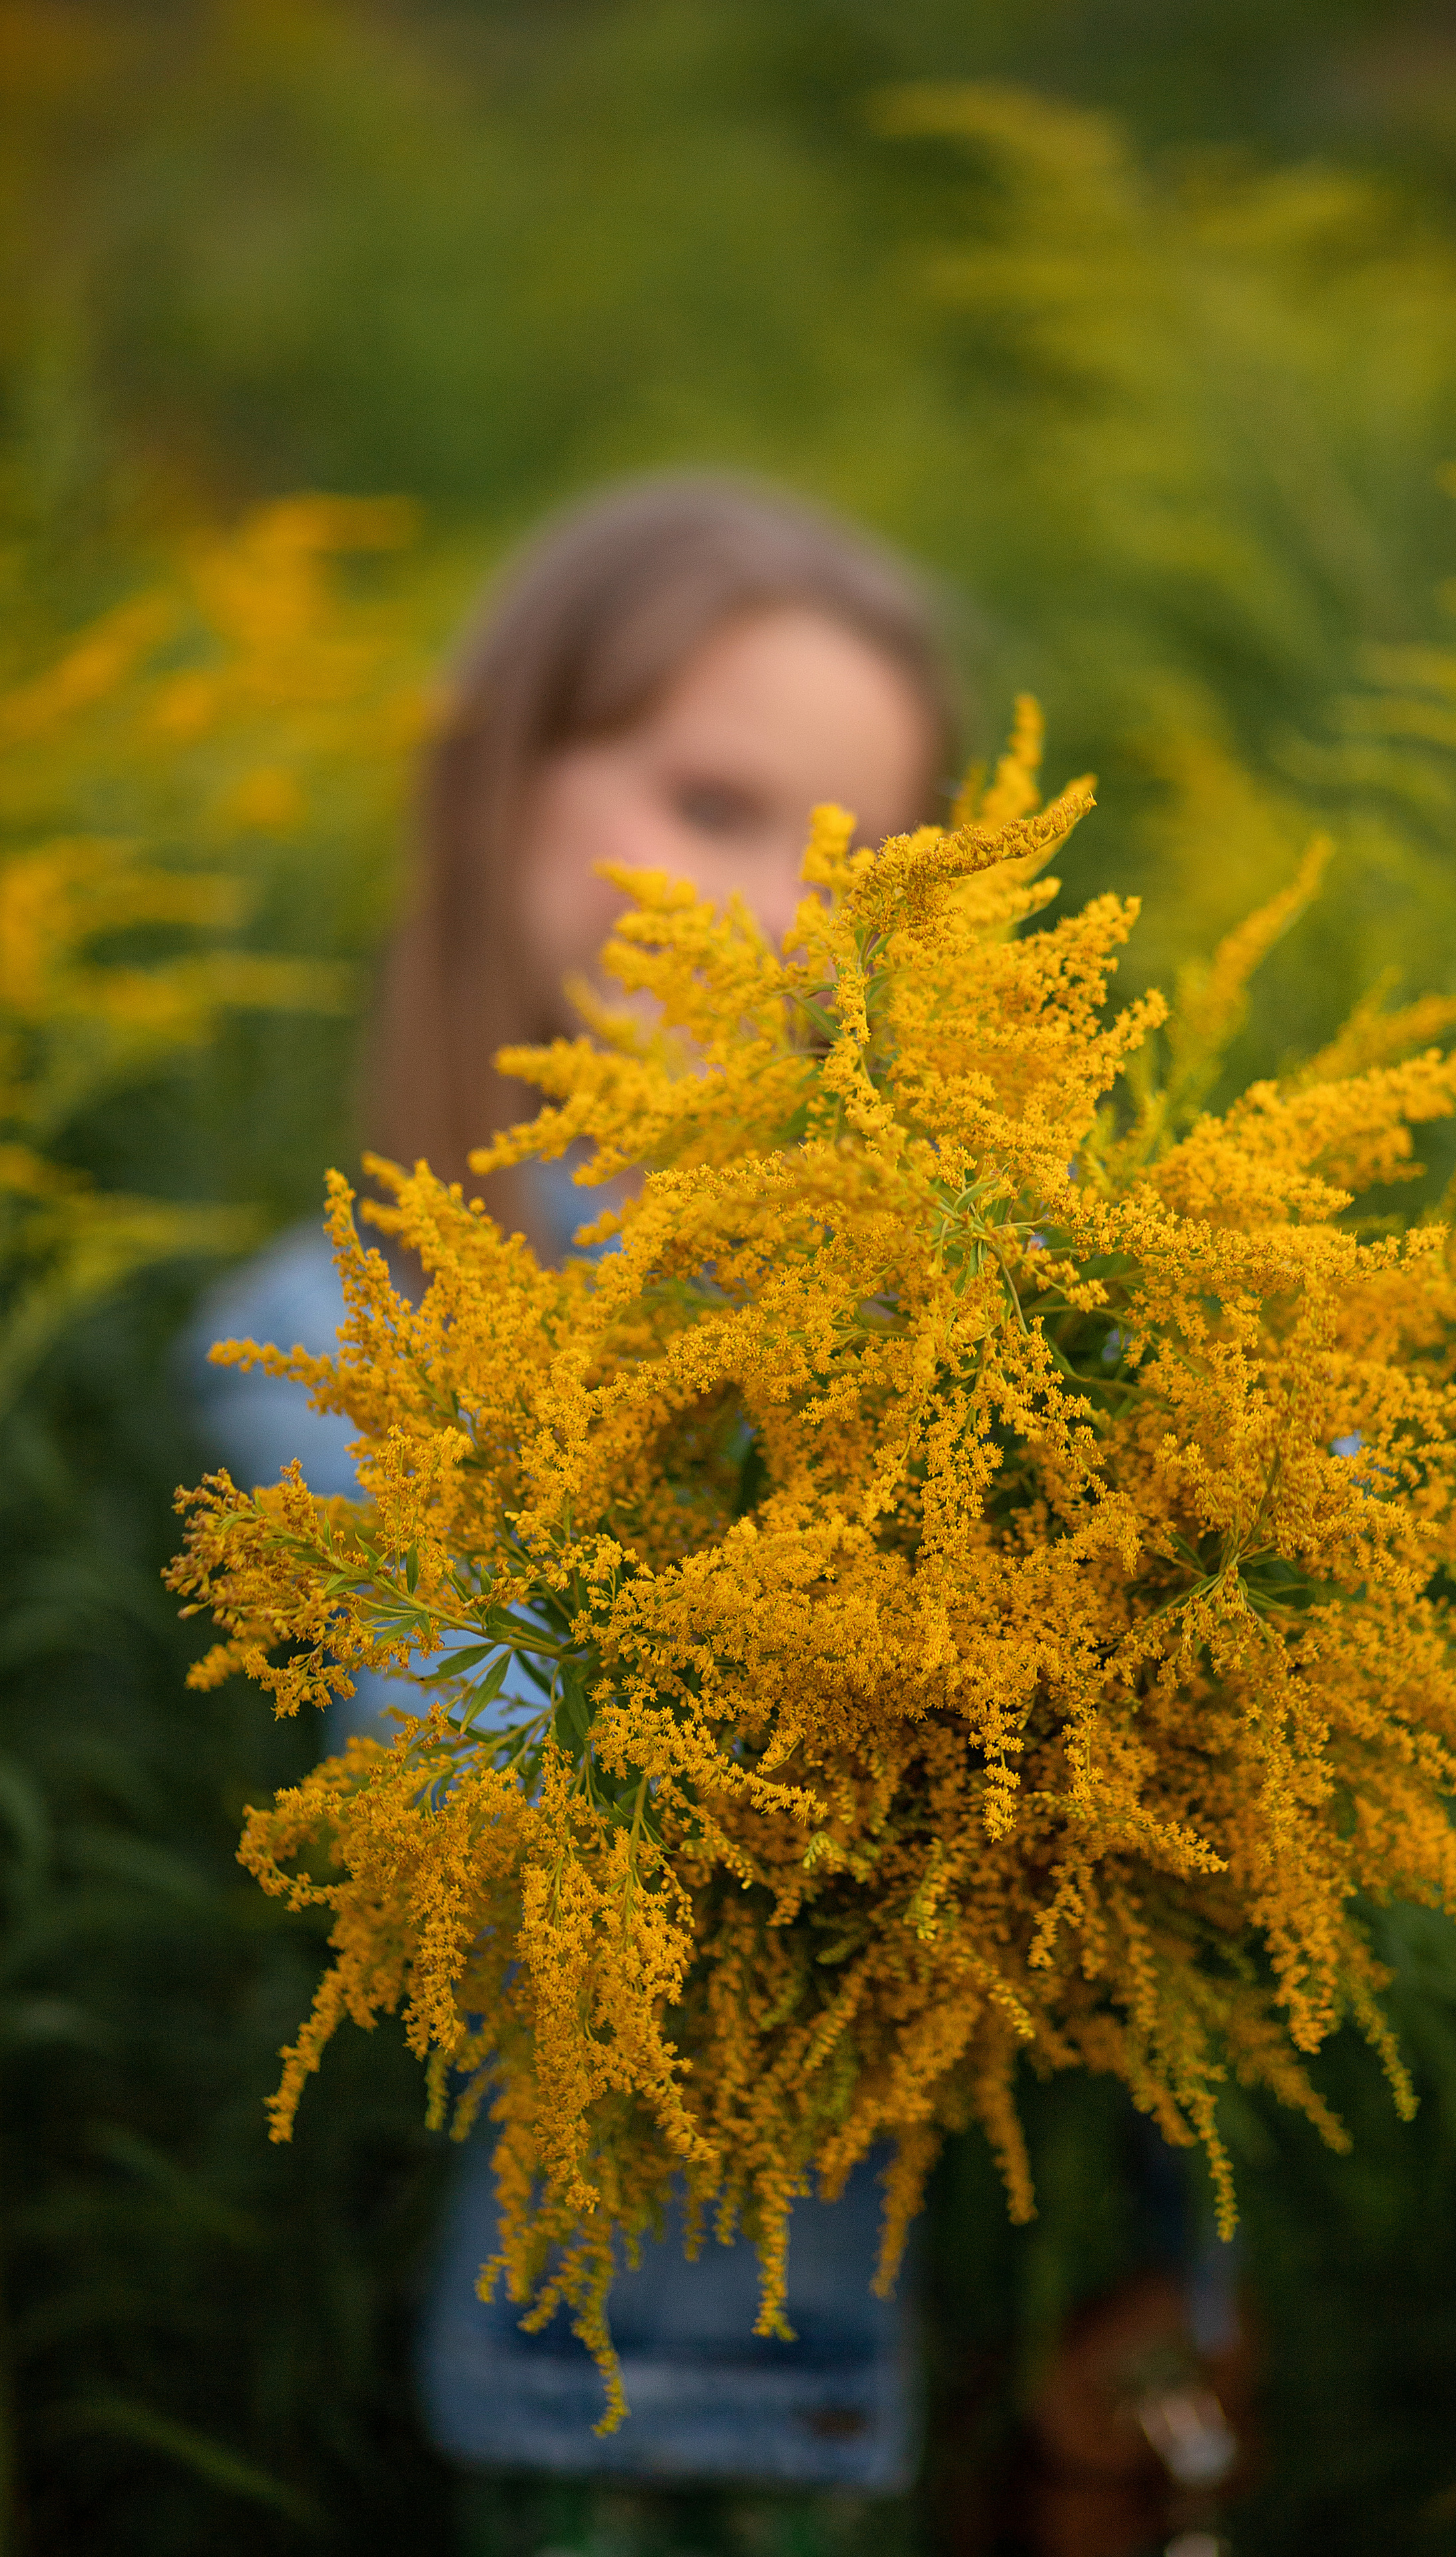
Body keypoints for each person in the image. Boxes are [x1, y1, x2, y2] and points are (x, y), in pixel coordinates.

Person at [187, 475, 962, 2500]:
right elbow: (524, 1800)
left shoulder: (986, 1291)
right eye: (709, 811)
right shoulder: (332, 1344)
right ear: (500, 785)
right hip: (615, 2422)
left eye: (860, 869)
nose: (777, 922)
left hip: (1011, 2401)